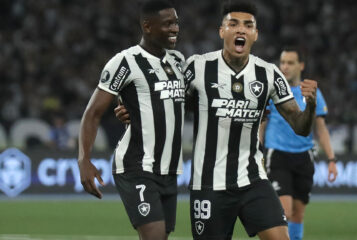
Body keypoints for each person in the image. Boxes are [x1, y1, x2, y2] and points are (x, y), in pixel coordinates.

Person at [116, 1, 317, 239]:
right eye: (233, 24)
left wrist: (311, 105)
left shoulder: (269, 74)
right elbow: (167, 100)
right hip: (208, 186)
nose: (240, 30)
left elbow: (301, 127)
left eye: (248, 25)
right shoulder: (197, 67)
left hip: (253, 179)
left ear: (255, 34)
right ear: (222, 31)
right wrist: (130, 110)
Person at [77, 1, 185, 239]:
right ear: (147, 26)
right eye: (168, 23)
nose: (175, 28)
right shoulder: (125, 62)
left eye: (176, 22)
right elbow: (92, 113)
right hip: (137, 166)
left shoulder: (178, 61)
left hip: (169, 169)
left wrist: (132, 112)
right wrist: (84, 159)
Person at [259, 47, 338, 240]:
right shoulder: (273, 90)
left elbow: (321, 128)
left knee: (298, 215)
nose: (284, 67)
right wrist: (257, 151)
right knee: (284, 212)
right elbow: (261, 123)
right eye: (282, 62)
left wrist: (331, 159)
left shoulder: (311, 92)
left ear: (301, 65)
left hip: (304, 158)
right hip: (277, 155)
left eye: (290, 63)